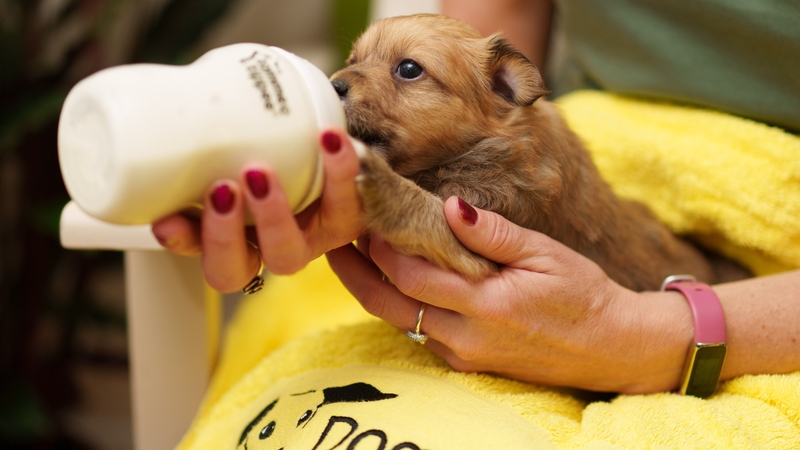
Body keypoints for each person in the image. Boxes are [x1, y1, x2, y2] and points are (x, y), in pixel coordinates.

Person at [151, 0, 800, 394]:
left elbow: (442, 230)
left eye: (407, 72)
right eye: (356, 61)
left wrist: (349, 171)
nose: (345, 83)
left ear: (503, 96)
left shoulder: (522, 164)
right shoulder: (452, 125)